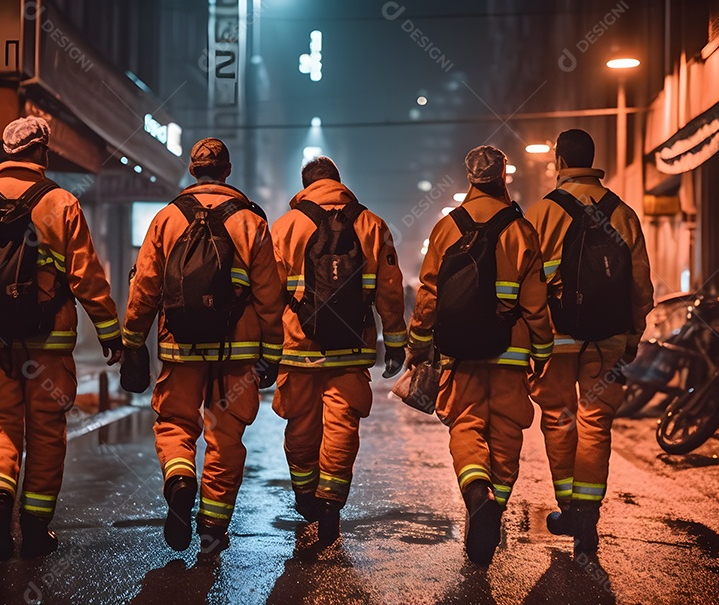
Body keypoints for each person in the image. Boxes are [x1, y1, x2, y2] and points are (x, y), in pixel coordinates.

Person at [0, 116, 124, 561]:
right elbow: (87, 278)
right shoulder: (60, 203)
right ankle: (36, 529)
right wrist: (110, 332)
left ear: (8, 154)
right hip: (49, 346)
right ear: (41, 153)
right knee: (45, 433)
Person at [121, 138, 285, 556]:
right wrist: (272, 350)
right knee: (226, 437)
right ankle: (212, 527)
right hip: (238, 352)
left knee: (175, 423)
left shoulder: (166, 219)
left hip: (180, 346)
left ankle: (179, 480)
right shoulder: (251, 221)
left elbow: (144, 288)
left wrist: (132, 338)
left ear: (193, 171)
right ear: (227, 171)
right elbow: (270, 295)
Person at [407, 145, 553, 565]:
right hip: (510, 353)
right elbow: (535, 304)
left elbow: (429, 294)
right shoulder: (521, 230)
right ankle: (495, 506)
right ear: (503, 177)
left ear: (469, 178)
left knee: (467, 424)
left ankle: (476, 495)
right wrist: (541, 351)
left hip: (461, 352)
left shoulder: (447, 228)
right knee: (506, 432)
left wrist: (418, 343)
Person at [527, 129, 654, 561]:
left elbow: (529, 284)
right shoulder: (623, 213)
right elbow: (640, 283)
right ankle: (589, 515)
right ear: (593, 160)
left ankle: (569, 509)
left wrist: (532, 339)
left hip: (558, 338)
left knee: (560, 419)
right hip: (609, 339)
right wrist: (633, 334)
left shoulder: (543, 213)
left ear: (560, 162)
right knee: (596, 423)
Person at [270, 156, 407, 548]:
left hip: (299, 347)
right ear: (339, 183)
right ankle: (331, 503)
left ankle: (305, 493)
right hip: (351, 347)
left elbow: (267, 294)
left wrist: (265, 347)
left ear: (305, 184)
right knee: (342, 424)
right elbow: (390, 290)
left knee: (300, 423)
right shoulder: (372, 224)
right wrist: (395, 343)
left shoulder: (285, 227)